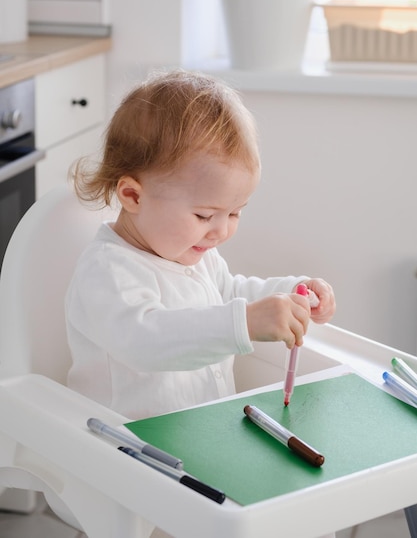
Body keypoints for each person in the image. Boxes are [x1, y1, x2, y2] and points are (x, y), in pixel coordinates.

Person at [65, 69, 336, 421]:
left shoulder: (190, 252)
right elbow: (146, 341)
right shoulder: (108, 270)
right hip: (126, 449)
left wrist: (291, 294)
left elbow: (230, 291)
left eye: (235, 213)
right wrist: (246, 322)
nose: (221, 231)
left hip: (198, 433)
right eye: (205, 216)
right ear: (132, 195)